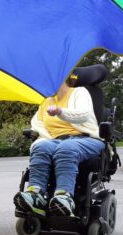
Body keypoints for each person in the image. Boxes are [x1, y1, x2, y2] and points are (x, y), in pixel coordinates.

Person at [13, 71, 105, 217]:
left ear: (65, 78)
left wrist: (60, 111)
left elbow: (84, 114)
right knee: (40, 147)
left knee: (66, 147)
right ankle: (35, 195)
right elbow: (37, 125)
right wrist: (41, 141)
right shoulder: (46, 101)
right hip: (56, 141)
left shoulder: (79, 92)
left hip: (86, 138)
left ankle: (64, 196)